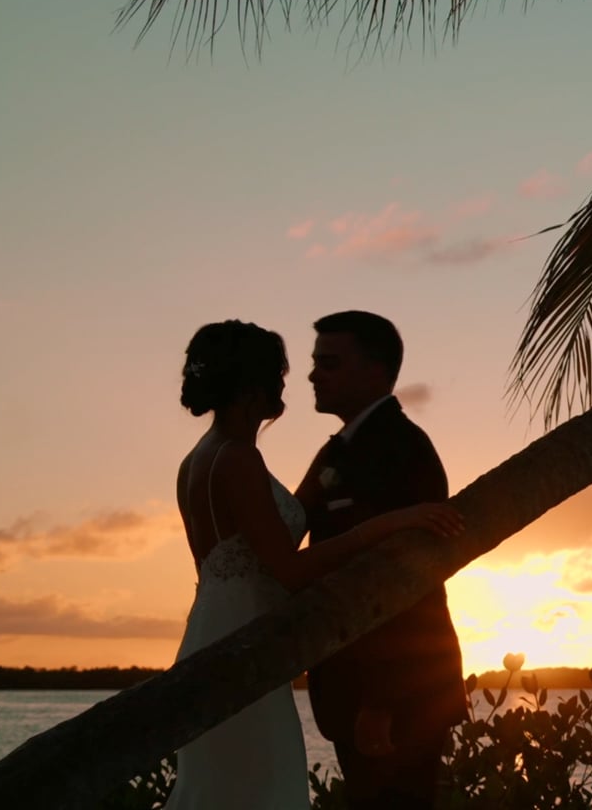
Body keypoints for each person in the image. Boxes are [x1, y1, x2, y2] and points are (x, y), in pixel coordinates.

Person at [168, 320, 462, 810]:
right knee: (257, 787)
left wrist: (383, 697)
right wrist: (390, 524)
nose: (299, 379)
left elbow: (295, 522)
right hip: (248, 643)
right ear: (253, 385)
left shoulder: (201, 458)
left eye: (325, 364)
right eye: (283, 371)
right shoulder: (238, 458)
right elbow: (289, 568)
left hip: (217, 630)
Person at [293, 311, 470, 810]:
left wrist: (382, 700)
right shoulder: (340, 451)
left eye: (328, 363)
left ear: (374, 372)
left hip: (400, 692)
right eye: (314, 363)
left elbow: (406, 578)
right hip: (351, 685)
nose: (313, 375)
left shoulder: (402, 448)